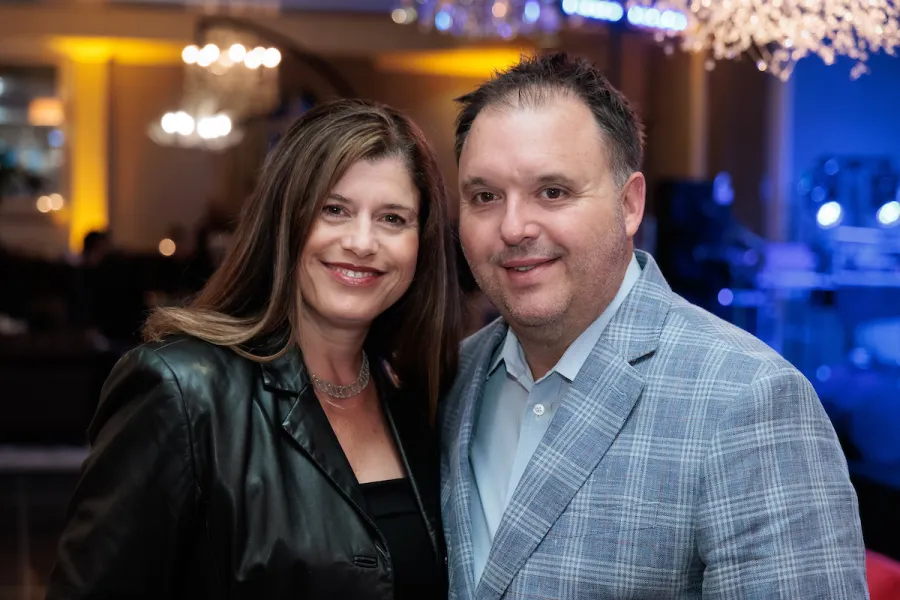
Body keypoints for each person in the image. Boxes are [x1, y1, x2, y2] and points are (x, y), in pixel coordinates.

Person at [440, 52, 868, 599]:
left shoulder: (751, 401)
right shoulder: (455, 377)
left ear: (630, 204)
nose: (514, 226)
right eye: (485, 197)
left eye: (553, 192)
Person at [47, 98, 461, 599]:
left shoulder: (419, 397)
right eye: (334, 209)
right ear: (283, 221)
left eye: (393, 219)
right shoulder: (181, 390)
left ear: (423, 240)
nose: (362, 241)